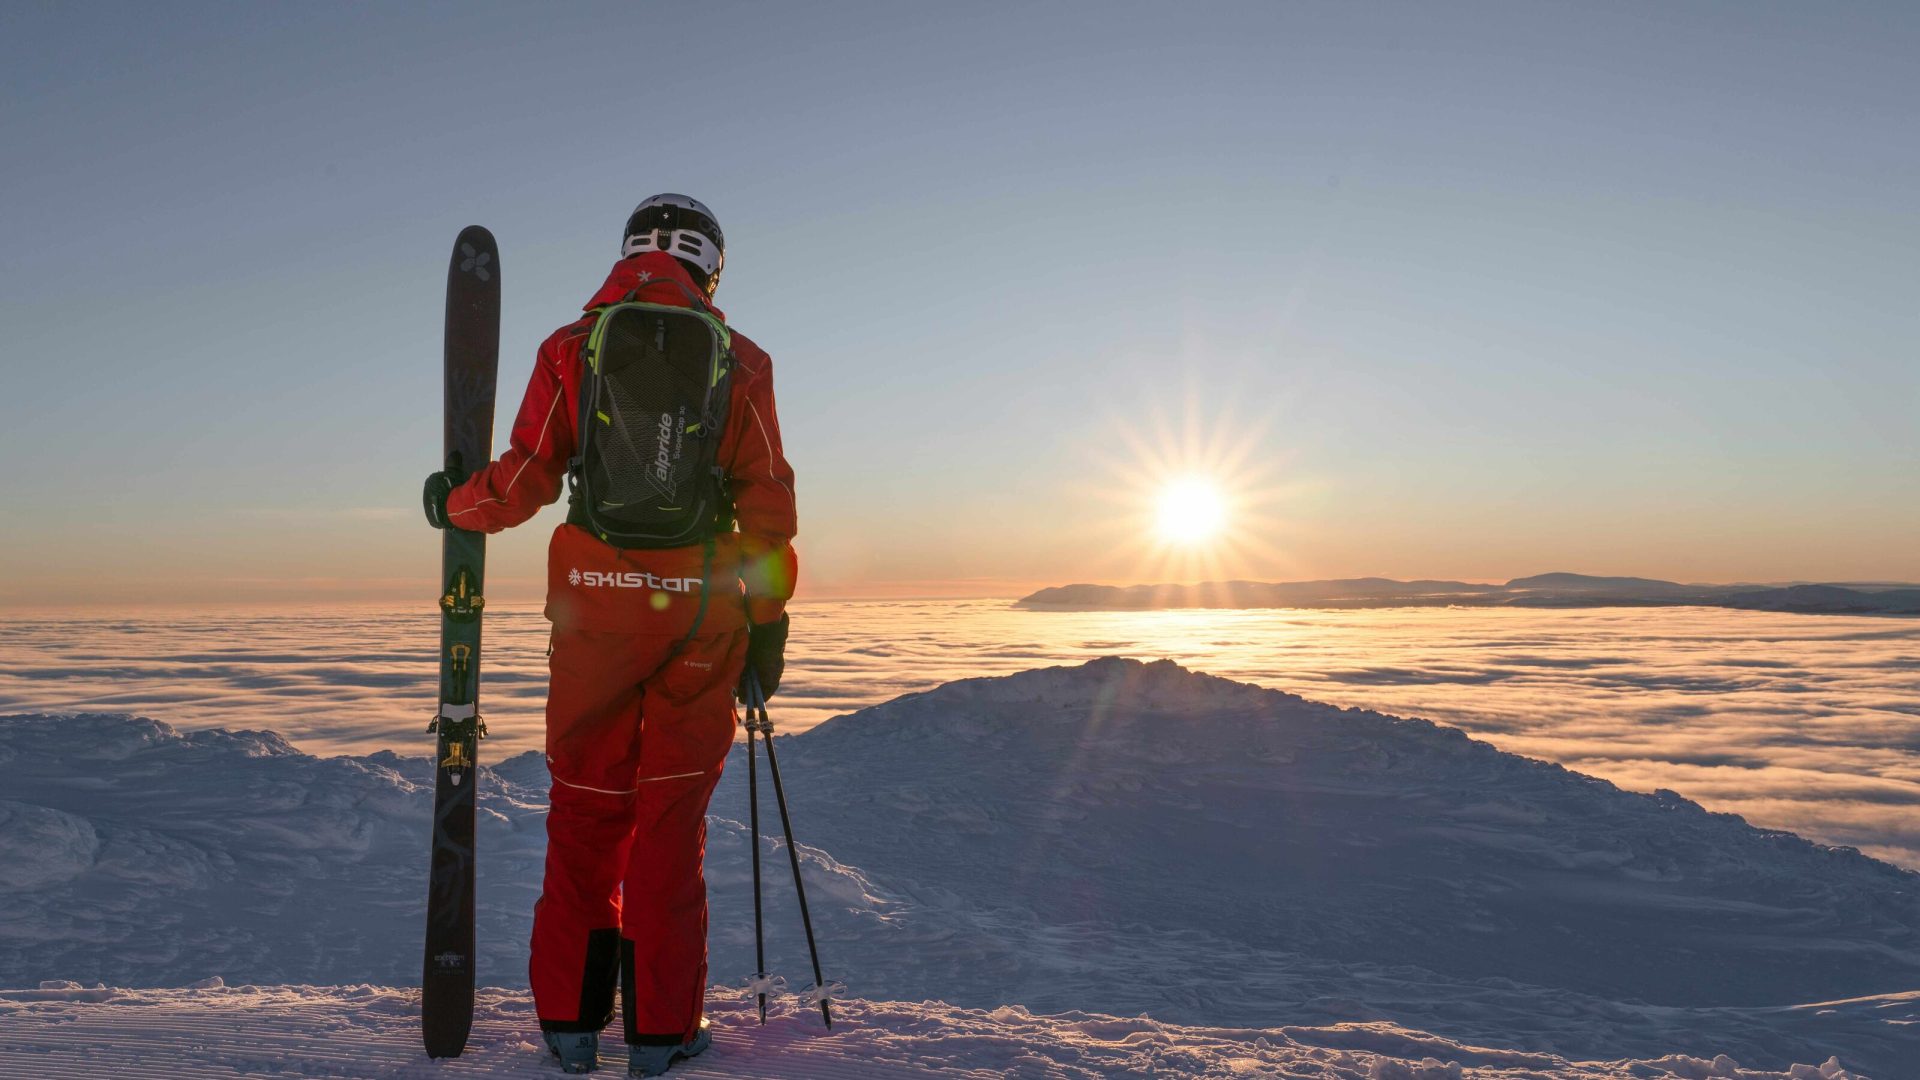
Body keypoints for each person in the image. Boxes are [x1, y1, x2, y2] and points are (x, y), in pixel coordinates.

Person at [422, 194, 797, 1076]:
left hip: (592, 618)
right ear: (711, 265)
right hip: (701, 627)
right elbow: (766, 511)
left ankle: (569, 1026)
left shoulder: (570, 348)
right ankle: (661, 1035)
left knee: (585, 822)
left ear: (628, 253)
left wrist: (454, 502)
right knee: (670, 830)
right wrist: (767, 631)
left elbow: (524, 480)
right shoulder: (740, 361)